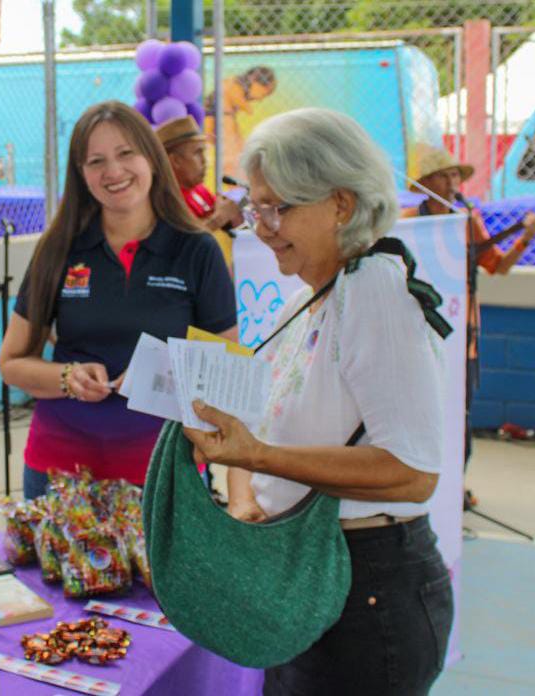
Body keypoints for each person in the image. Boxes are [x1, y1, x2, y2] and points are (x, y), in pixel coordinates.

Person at [182, 108, 453, 694]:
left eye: (277, 208)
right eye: (255, 208)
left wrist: (257, 458)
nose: (261, 228)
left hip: (366, 586)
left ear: (341, 204)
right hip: (312, 574)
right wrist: (244, 499)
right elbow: (253, 430)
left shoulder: (374, 291)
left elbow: (413, 473)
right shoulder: (310, 302)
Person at [0, 100, 237, 499]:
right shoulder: (59, 249)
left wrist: (160, 372)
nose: (113, 171)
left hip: (165, 473)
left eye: (126, 153)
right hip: (60, 478)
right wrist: (66, 378)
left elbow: (226, 365)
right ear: (82, 174)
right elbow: (12, 363)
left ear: (152, 159)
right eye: (96, 161)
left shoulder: (197, 250)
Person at [402, 145, 535, 469]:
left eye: (455, 175)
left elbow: (498, 266)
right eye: (444, 175)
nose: (453, 182)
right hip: (417, 330)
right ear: (427, 182)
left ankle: (456, 481)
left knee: (459, 409)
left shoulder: (466, 222)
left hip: (461, 331)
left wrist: (526, 237)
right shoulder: (408, 223)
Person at [156, 115, 245, 272]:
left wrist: (237, 212)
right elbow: (180, 243)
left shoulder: (198, 189)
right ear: (175, 161)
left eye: (204, 152)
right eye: (197, 153)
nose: (205, 161)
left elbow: (226, 217)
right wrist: (219, 218)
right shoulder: (163, 197)